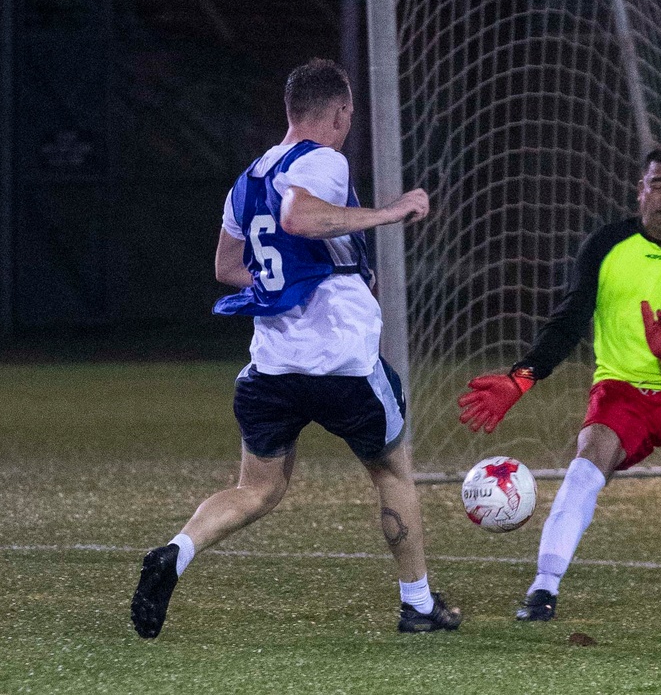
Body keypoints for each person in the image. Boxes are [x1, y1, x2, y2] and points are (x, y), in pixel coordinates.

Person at [130, 58, 461, 639]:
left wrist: (291, 277)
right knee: (391, 471)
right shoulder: (324, 160)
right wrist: (390, 212)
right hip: (343, 363)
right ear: (339, 112)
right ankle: (418, 604)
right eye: (347, 115)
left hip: (273, 365)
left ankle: (175, 553)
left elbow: (226, 266)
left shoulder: (246, 180)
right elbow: (300, 216)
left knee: (256, 489)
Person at [458, 143, 661, 621]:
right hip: (621, 392)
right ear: (640, 191)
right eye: (657, 185)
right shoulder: (605, 245)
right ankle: (543, 591)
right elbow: (569, 320)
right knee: (583, 471)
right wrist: (522, 378)